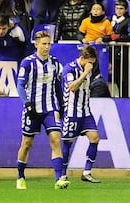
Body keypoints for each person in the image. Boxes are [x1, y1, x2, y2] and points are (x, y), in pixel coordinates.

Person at [16, 31, 70, 190]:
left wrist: (62, 105)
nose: (47, 47)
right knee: (27, 144)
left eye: (49, 44)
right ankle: (20, 176)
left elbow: (58, 86)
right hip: (32, 109)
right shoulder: (27, 63)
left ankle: (59, 178)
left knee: (55, 140)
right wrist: (26, 103)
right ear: (36, 44)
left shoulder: (55, 63)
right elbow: (20, 85)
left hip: (50, 108)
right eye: (44, 44)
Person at [61, 45, 101, 183]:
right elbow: (72, 87)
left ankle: (87, 172)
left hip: (85, 112)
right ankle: (62, 174)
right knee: (67, 144)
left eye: (93, 62)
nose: (91, 65)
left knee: (95, 138)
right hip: (72, 112)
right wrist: (84, 74)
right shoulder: (69, 68)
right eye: (90, 61)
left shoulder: (88, 69)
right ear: (83, 58)